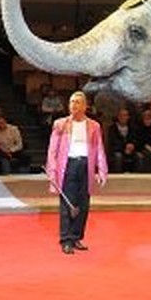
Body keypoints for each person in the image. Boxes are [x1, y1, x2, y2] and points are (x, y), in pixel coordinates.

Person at [45, 90, 108, 255]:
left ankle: (76, 237)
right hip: (68, 165)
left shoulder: (94, 126)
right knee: (67, 204)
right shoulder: (60, 124)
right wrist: (52, 171)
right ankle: (66, 239)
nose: (73, 105)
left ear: (85, 106)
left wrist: (102, 170)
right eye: (71, 102)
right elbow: (52, 150)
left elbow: (99, 149)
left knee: (83, 204)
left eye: (77, 102)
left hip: (86, 165)